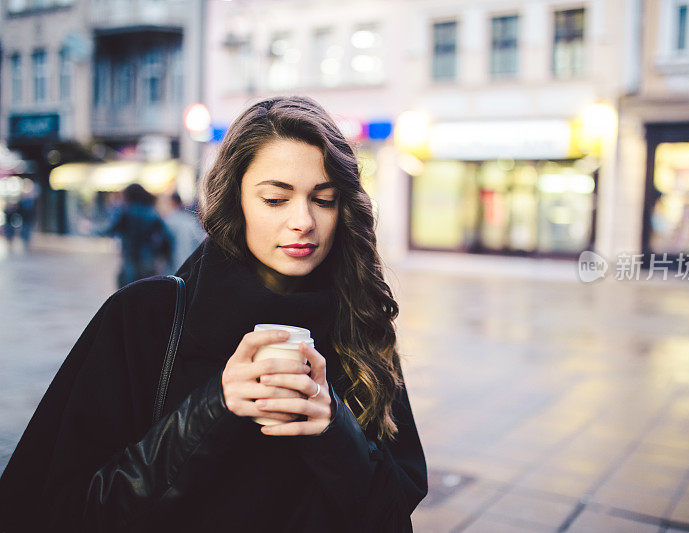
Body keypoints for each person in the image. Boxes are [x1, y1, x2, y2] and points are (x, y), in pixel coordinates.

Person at [0, 96, 427, 532]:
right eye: (276, 199)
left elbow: (392, 517)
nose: (304, 221)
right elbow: (70, 510)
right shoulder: (146, 318)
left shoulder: (360, 326)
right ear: (234, 199)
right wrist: (215, 406)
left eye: (324, 199)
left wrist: (335, 429)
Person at [100, 183, 172, 288]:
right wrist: (160, 253)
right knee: (146, 290)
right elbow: (166, 236)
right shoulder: (152, 212)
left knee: (128, 292)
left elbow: (110, 230)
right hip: (148, 258)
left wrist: (91, 230)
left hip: (129, 258)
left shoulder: (125, 212)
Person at [161, 191, 206, 272]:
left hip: (173, 266)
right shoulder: (190, 220)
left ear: (172, 202)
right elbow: (199, 241)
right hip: (190, 263)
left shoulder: (168, 221)